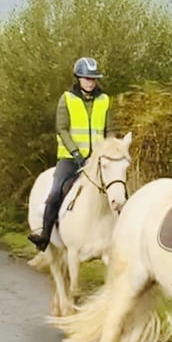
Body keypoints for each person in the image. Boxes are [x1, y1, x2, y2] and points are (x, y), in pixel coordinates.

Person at [27, 57, 113, 252]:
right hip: (70, 158)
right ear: (78, 78)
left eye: (93, 79)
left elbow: (110, 130)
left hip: (97, 160)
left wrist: (108, 151)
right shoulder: (67, 98)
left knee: (117, 191)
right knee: (56, 191)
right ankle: (44, 236)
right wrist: (75, 153)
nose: (90, 82)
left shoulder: (104, 99)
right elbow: (62, 129)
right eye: (86, 78)